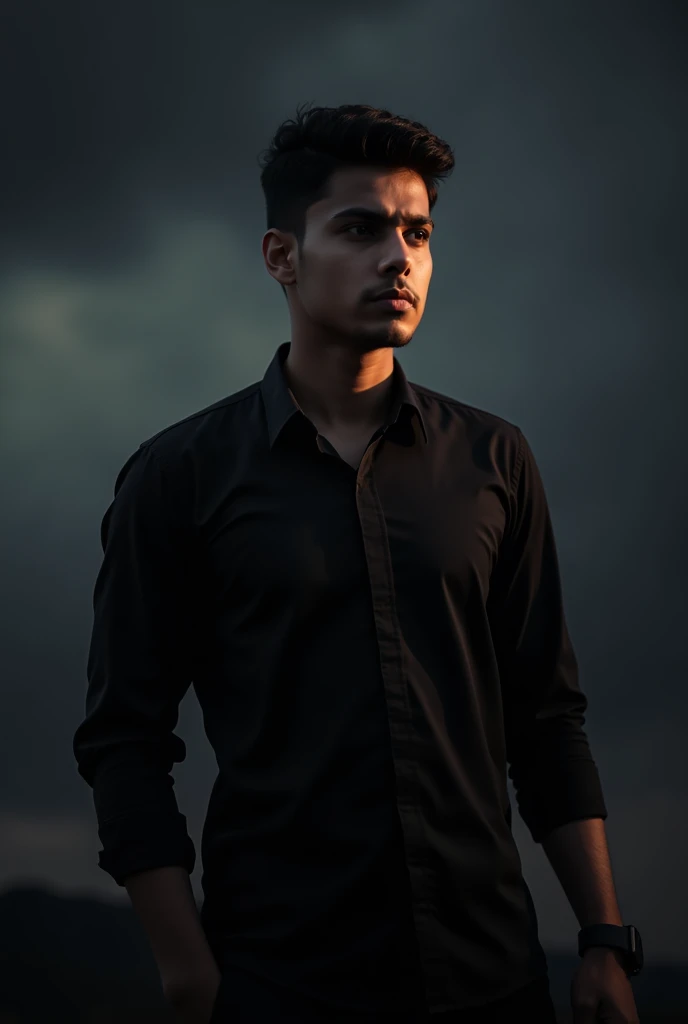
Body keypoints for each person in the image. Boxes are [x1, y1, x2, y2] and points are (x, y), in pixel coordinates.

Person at [73, 102, 637, 1024]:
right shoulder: (178, 477)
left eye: (417, 233)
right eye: (362, 228)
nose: (399, 259)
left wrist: (607, 940)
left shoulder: (496, 461)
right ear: (280, 257)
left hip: (494, 980)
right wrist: (187, 971)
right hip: (282, 985)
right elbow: (122, 741)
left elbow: (547, 719)